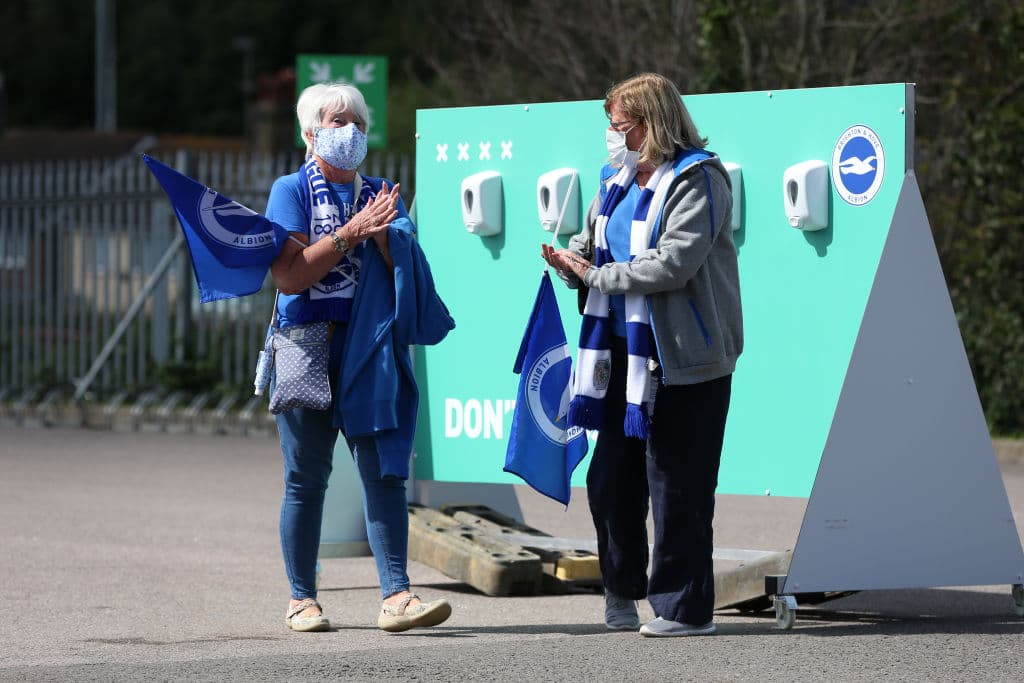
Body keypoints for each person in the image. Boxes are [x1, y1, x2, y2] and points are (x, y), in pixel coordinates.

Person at [541, 73, 742, 637]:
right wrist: (569, 259)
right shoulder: (614, 177)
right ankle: (621, 590)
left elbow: (673, 264)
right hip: (616, 356)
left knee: (677, 487)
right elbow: (594, 244)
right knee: (609, 481)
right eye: (610, 126)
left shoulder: (699, 178)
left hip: (682, 357)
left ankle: (684, 610)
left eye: (621, 126)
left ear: (653, 124)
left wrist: (595, 273)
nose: (613, 136)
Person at [265, 81, 454, 633]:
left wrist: (389, 237)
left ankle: (397, 598)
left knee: (384, 473)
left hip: (369, 348)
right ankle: (302, 600)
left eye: (357, 123)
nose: (348, 131)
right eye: (335, 120)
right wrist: (352, 233)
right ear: (309, 133)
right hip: (306, 344)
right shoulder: (290, 190)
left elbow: (408, 270)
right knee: (306, 479)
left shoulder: (380, 192)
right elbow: (291, 275)